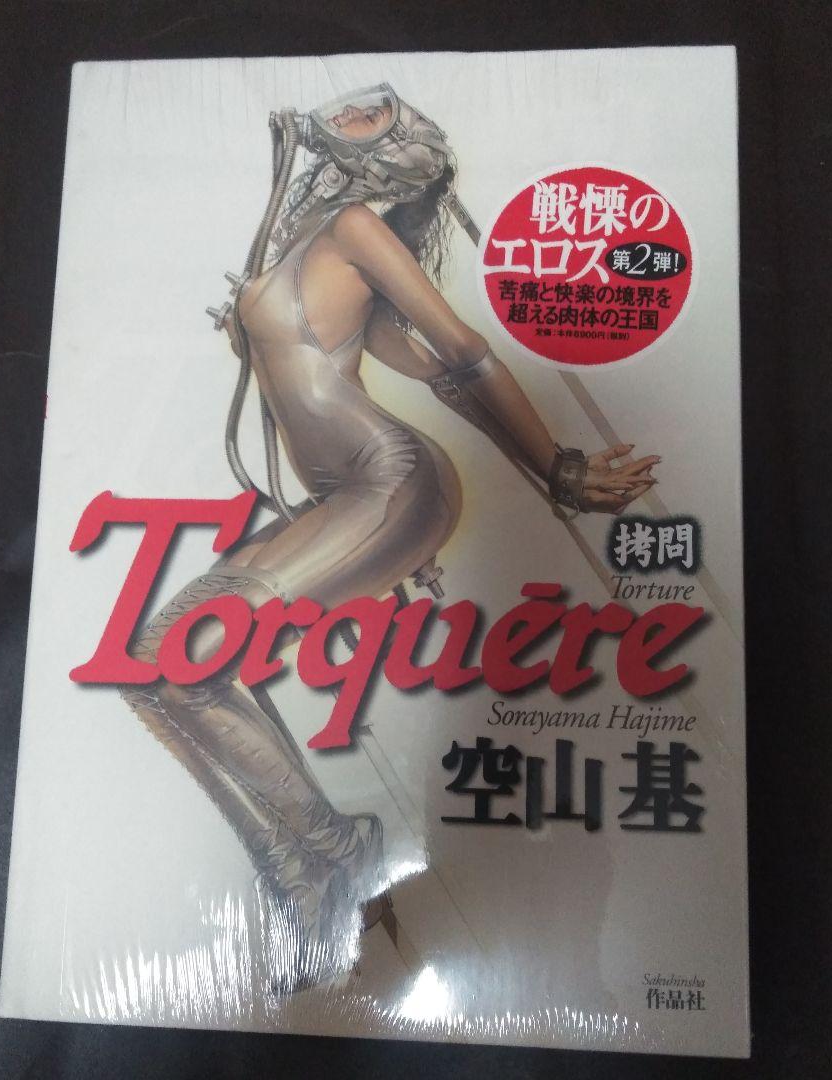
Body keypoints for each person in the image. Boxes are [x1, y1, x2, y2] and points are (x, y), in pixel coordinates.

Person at [120, 84, 659, 991]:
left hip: (391, 481)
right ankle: (301, 870)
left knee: (180, 658)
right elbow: (415, 364)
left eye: (374, 113)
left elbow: (463, 356)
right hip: (347, 496)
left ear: (395, 154)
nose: (349, 111)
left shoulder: (356, 229)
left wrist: (556, 469)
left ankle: (339, 853)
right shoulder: (305, 242)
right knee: (151, 666)